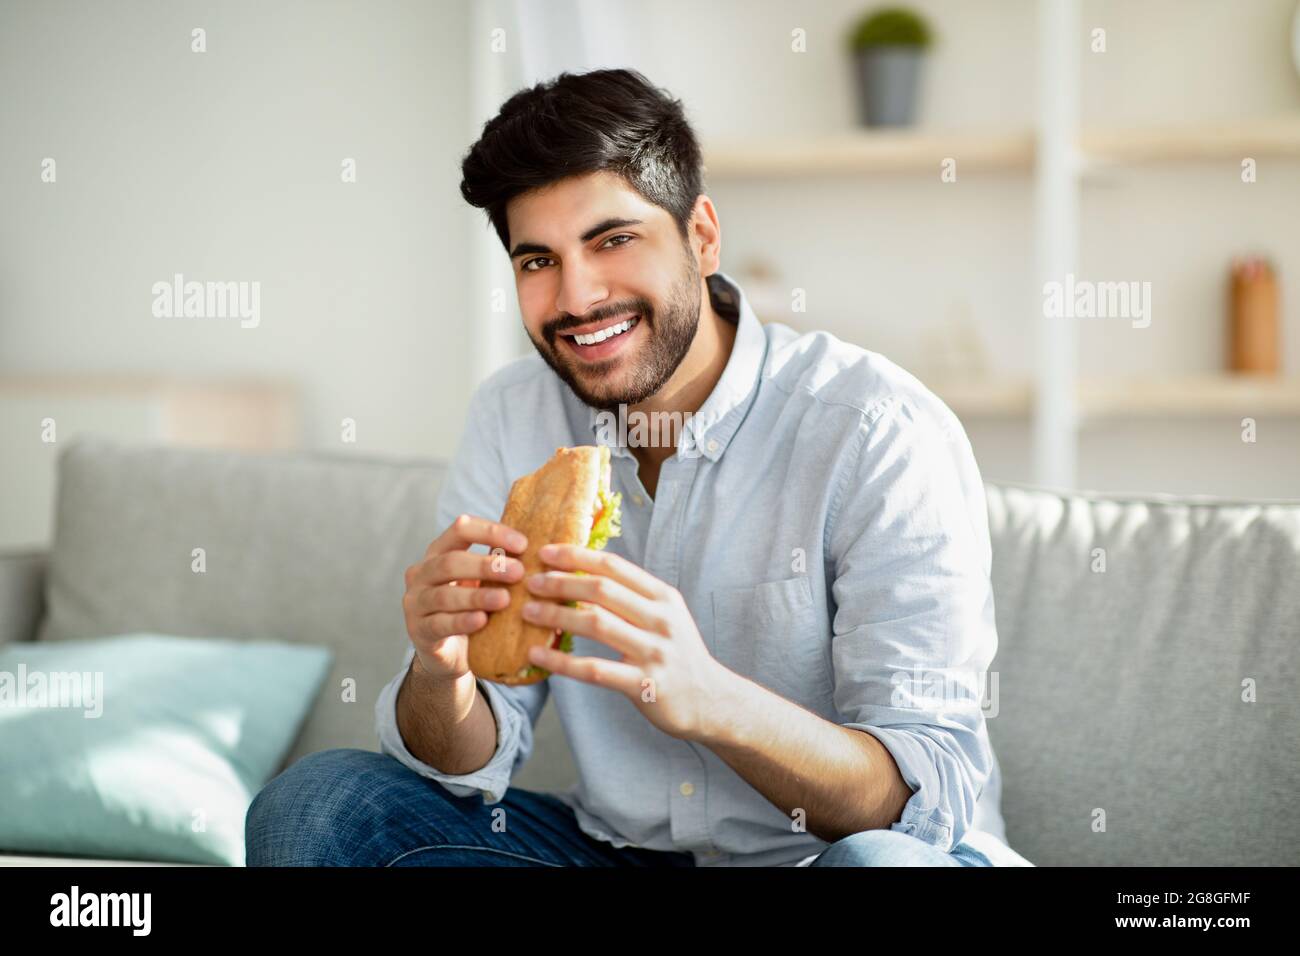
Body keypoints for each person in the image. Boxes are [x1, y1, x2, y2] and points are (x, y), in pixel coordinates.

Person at [246, 68, 1032, 867]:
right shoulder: (515, 415)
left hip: (827, 857)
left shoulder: (876, 429)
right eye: (537, 261)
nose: (577, 297)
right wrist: (441, 672)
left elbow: (917, 798)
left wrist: (713, 701)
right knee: (318, 806)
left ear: (701, 235)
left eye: (612, 240)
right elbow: (473, 754)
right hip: (617, 853)